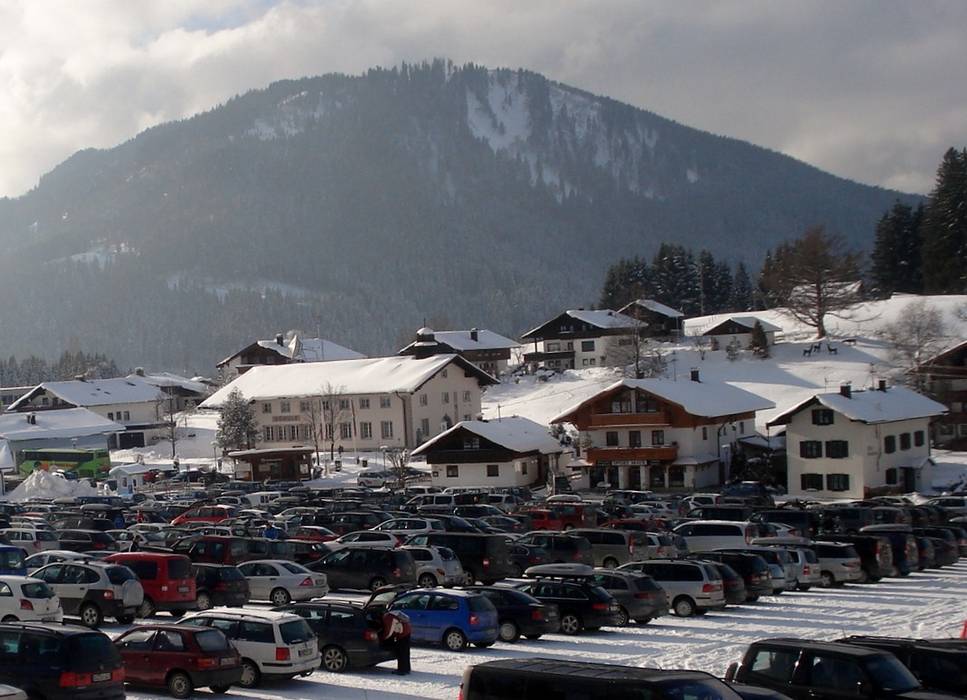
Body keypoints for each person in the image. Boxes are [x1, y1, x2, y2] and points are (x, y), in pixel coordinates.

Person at [380, 609, 411, 675]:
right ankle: (407, 669)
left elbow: (389, 631)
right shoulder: (393, 614)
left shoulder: (388, 617)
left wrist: (383, 638)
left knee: (401, 652)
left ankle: (402, 670)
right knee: (405, 652)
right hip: (407, 631)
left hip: (402, 634)